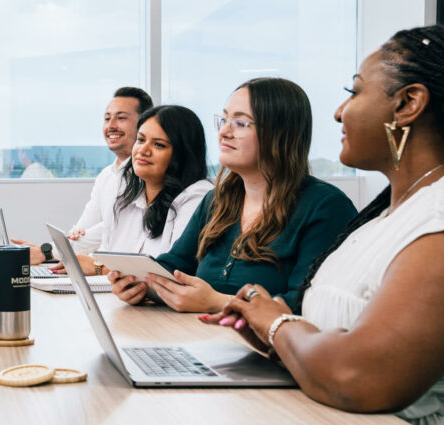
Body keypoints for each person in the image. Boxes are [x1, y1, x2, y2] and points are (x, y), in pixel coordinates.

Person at [203, 25, 444, 423]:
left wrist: (278, 325)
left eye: (354, 93)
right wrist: (275, 340)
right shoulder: (383, 217)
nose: (338, 111)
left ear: (408, 104)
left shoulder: (440, 219)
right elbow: (335, 342)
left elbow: (360, 375)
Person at [112, 78, 357, 313]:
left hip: (265, 352)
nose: (224, 133)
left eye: (240, 123)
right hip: (201, 338)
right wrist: (139, 283)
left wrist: (218, 302)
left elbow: (307, 303)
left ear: (279, 133)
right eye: (224, 119)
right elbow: (176, 264)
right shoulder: (216, 201)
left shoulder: (325, 206)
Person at [51, 105, 212, 275]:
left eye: (158, 145)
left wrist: (99, 268)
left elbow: (172, 272)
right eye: (141, 140)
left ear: (182, 154)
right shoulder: (125, 197)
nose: (143, 150)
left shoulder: (197, 197)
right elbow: (106, 251)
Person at [13, 86, 154, 263]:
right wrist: (52, 248)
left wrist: (48, 253)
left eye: (121, 118)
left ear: (144, 124)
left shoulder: (147, 175)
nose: (111, 126)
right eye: (107, 118)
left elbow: (112, 228)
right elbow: (82, 229)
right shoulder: (106, 175)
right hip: (99, 266)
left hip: (119, 272)